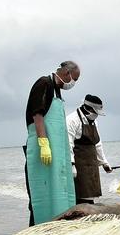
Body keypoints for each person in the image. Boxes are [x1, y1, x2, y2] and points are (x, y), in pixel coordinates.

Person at [24, 61, 80, 225]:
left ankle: (57, 224)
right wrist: (43, 143)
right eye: (74, 79)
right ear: (65, 73)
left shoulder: (57, 92)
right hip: (43, 148)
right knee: (42, 193)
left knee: (59, 188)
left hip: (57, 150)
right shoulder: (44, 83)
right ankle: (36, 230)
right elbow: (37, 115)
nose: (73, 83)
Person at [66, 94, 113, 204]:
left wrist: (104, 162)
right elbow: (68, 144)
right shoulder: (72, 120)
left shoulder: (94, 121)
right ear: (87, 108)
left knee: (90, 197)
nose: (96, 116)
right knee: (79, 198)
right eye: (95, 113)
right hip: (78, 165)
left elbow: (97, 143)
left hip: (91, 165)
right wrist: (72, 165)